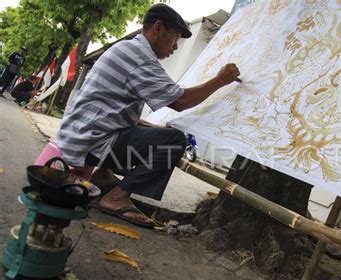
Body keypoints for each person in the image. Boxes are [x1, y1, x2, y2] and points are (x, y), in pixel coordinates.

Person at [56, 4, 241, 228]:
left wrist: (150, 129)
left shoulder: (128, 49)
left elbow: (117, 112)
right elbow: (179, 101)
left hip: (82, 135)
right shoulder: (140, 57)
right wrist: (220, 81)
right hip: (89, 141)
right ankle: (115, 198)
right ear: (158, 28)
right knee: (174, 141)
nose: (175, 47)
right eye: (175, 38)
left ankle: (102, 175)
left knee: (156, 133)